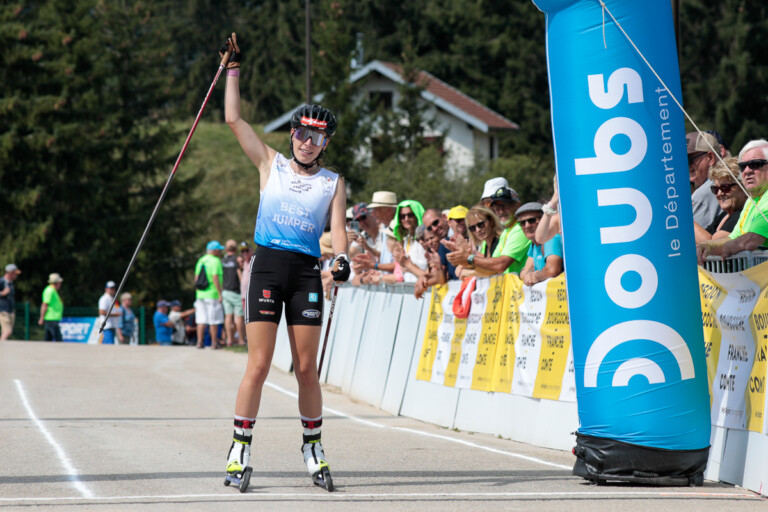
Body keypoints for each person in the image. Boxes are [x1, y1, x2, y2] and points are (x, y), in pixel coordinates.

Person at [220, 33, 349, 491]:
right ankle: (239, 448)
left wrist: (342, 259)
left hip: (306, 273)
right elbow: (233, 119)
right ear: (292, 134)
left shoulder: (333, 182)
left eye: (317, 137)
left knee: (306, 369)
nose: (308, 143)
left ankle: (313, 447)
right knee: (257, 365)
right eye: (302, 134)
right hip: (268, 267)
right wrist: (232, 70)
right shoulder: (269, 164)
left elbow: (338, 231)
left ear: (325, 142)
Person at [698, 139, 768, 262]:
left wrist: (728, 247)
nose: (747, 171)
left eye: (755, 164)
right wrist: (707, 246)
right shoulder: (752, 201)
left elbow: (753, 240)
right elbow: (733, 238)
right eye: (742, 166)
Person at [693, 157, 748, 244]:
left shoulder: (744, 214)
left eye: (725, 187)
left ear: (744, 187)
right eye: (715, 189)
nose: (719, 193)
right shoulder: (724, 215)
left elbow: (712, 244)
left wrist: (685, 217)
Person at [448, 206, 507, 279]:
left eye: (481, 224)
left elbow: (496, 269)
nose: (478, 230)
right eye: (473, 228)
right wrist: (465, 261)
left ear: (491, 221)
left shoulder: (502, 239)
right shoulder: (485, 244)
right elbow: (485, 267)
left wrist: (468, 267)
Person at [517, 203, 564, 286]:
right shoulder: (534, 244)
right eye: (522, 222)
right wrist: (529, 273)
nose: (527, 226)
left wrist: (534, 276)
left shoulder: (551, 238)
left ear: (543, 220)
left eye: (532, 220)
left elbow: (552, 270)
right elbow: (526, 271)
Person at [687, 131, 723, 228]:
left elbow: (688, 234)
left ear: (711, 157)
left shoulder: (703, 194)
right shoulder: (731, 180)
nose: (687, 166)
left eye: (689, 160)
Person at [195, 240, 225, 349]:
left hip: (200, 295)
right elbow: (215, 277)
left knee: (201, 320)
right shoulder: (215, 261)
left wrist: (197, 292)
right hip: (212, 295)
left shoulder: (201, 260)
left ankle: (199, 342)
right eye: (219, 250)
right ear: (215, 251)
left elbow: (196, 278)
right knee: (214, 320)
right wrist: (220, 293)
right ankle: (214, 343)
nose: (220, 252)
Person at [392, 200, 428, 283]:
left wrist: (409, 266)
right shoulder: (407, 239)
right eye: (402, 216)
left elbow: (427, 269)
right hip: (410, 286)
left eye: (410, 215)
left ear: (417, 215)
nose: (406, 219)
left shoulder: (425, 239)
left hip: (425, 286)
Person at [222, 239, 246, 347]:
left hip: (225, 291)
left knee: (228, 316)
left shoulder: (223, 260)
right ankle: (241, 340)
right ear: (236, 249)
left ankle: (229, 340)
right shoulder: (237, 260)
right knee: (239, 317)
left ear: (226, 249)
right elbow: (240, 276)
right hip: (236, 292)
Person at [39, 273, 64, 342]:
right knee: (58, 339)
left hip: (52, 318)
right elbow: (44, 305)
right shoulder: (50, 291)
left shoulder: (53, 290)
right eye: (59, 282)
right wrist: (41, 318)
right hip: (51, 319)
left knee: (48, 339)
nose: (60, 284)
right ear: (57, 283)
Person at [0, 264, 21, 341]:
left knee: (6, 331)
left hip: (10, 310)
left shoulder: (10, 282)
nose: (16, 275)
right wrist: (2, 293)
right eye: (15, 273)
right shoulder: (1, 281)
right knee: (7, 331)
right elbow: (3, 293)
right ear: (10, 272)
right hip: (3, 310)